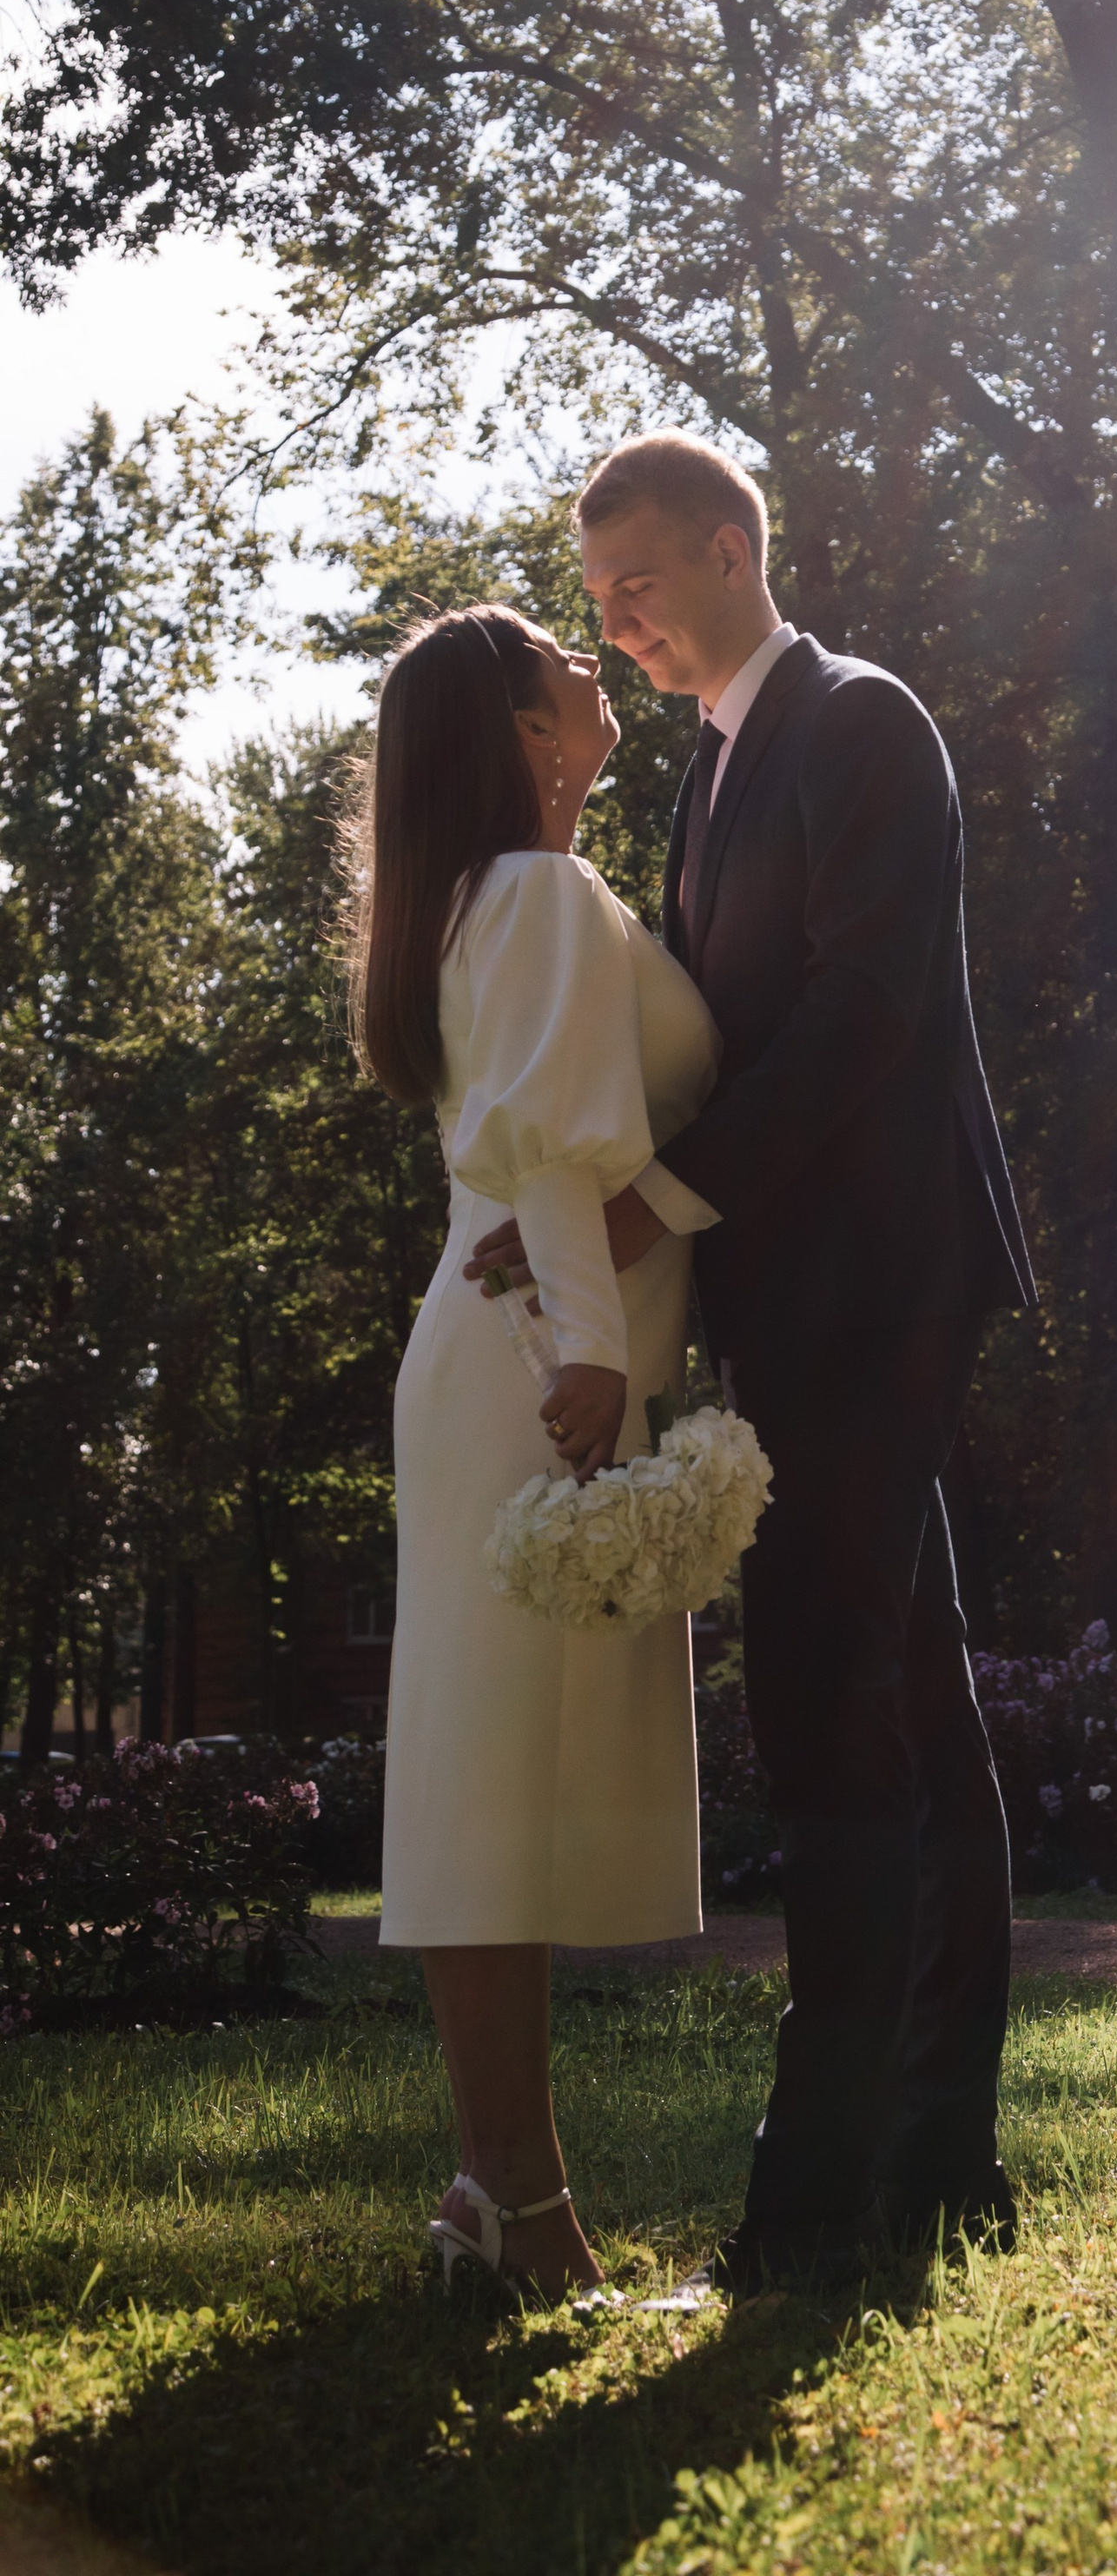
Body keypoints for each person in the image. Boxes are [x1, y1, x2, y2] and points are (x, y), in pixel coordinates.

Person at [464, 433, 1034, 2293]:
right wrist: (554, 1222)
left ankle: (811, 2212)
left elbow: (864, 1016)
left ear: (729, 549)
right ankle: (944, 2155)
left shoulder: (866, 725)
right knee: (918, 1713)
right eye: (596, 596)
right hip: (785, 1298)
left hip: (879, 1282)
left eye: (637, 582)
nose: (612, 621)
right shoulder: (705, 779)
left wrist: (645, 1212)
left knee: (821, 1707)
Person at [353, 603, 723, 2300]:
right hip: (526, 1364)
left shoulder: (501, 897)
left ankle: (492, 2198)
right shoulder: (536, 898)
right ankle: (521, 2207)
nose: (595, 661)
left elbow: (578, 1144)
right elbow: (551, 1149)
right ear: (520, 727)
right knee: (486, 1783)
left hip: (490, 1352)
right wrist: (587, 1355)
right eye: (563, 658)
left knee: (483, 1773)